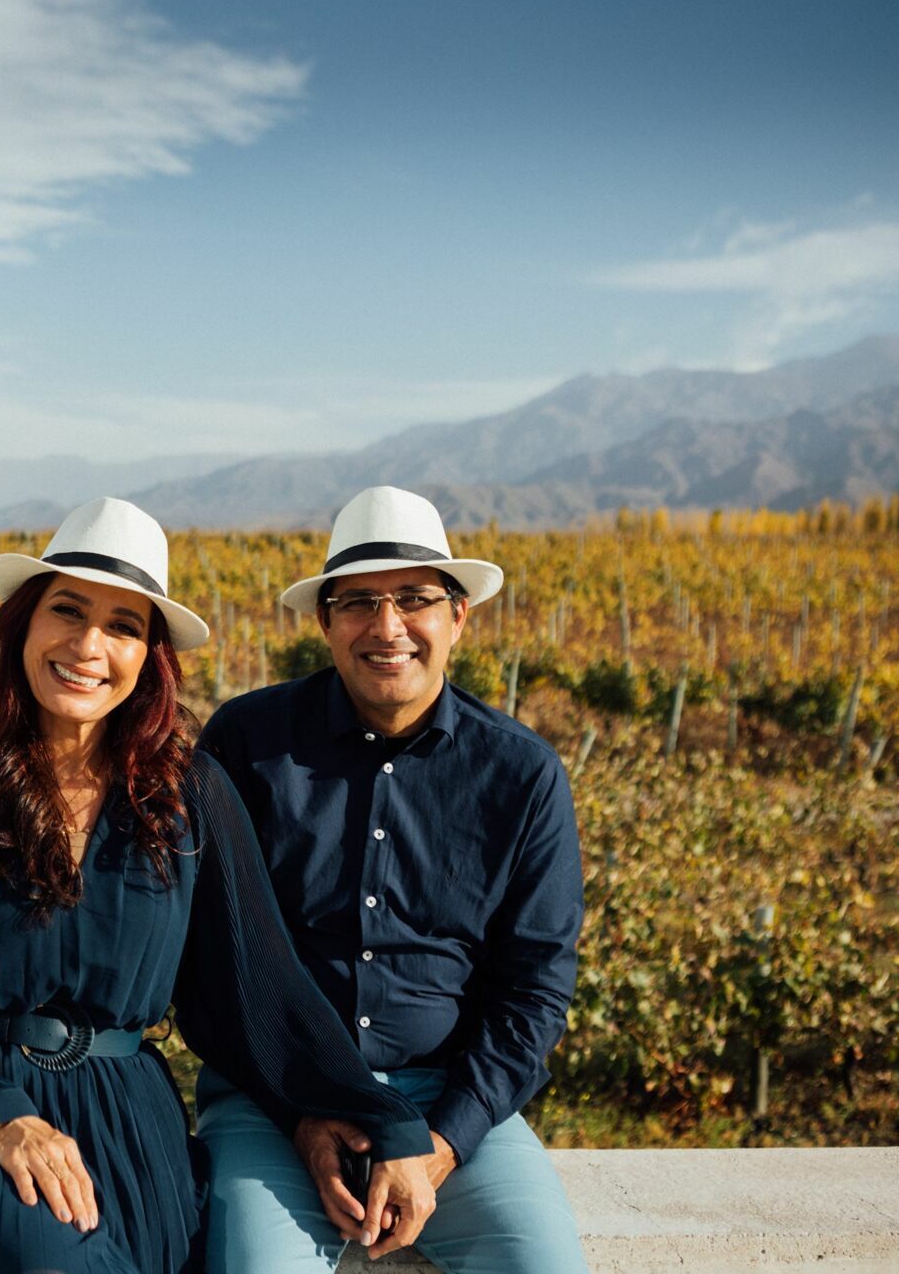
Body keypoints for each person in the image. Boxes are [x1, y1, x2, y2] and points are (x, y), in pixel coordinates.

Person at [0, 497, 435, 1274]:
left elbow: (260, 988)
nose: (88, 646)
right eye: (67, 611)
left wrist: (382, 1120)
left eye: (123, 627)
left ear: (148, 658)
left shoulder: (192, 796)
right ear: (24, 627)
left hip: (126, 1123)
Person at [196, 485, 589, 1273]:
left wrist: (441, 1144)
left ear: (458, 616)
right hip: (275, 1101)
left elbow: (535, 989)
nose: (387, 627)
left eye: (414, 599)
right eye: (358, 603)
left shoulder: (521, 774)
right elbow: (209, 965)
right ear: (325, 621)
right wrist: (302, 1115)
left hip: (452, 1104)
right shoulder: (246, 743)